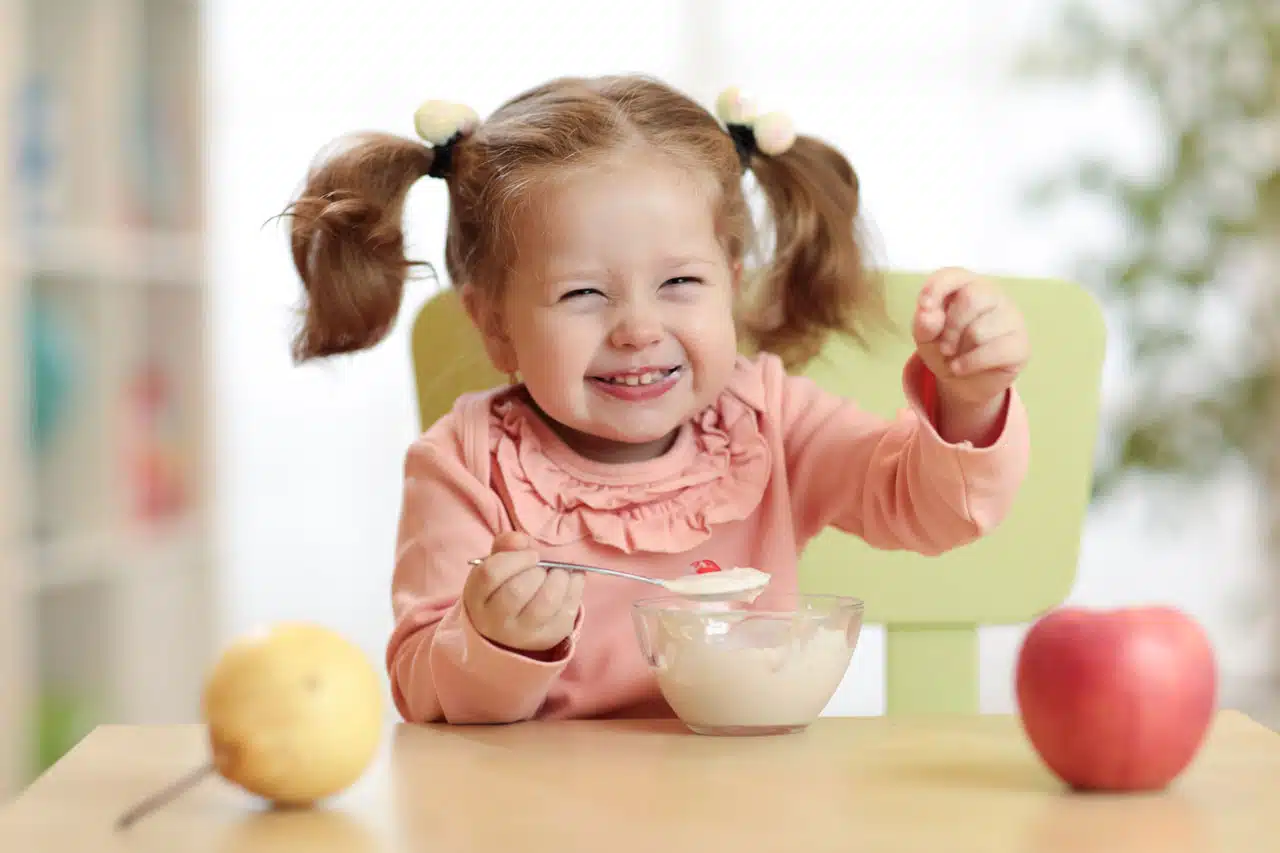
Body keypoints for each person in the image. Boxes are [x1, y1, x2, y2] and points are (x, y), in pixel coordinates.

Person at [281, 75, 1031, 725]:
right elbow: (422, 685)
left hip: (747, 804)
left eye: (679, 284)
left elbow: (926, 504)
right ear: (494, 325)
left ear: (732, 285)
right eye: (582, 293)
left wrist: (969, 399)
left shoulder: (768, 420)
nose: (638, 330)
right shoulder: (464, 465)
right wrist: (495, 638)